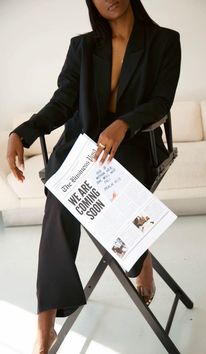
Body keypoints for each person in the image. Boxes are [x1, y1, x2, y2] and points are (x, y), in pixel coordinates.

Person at [7, 0, 181, 353]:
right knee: (58, 202)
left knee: (112, 190)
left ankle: (138, 253)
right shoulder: (83, 46)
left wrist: (123, 123)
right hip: (81, 146)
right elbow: (63, 102)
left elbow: (161, 101)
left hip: (135, 142)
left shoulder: (164, 40)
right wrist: (22, 133)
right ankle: (45, 322)